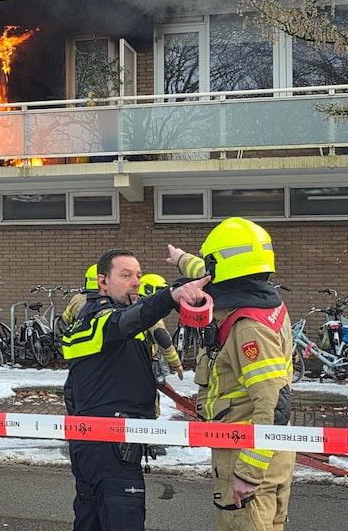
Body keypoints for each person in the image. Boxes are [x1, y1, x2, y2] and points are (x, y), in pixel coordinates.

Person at [61, 249, 210, 531]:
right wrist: (169, 297)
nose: (136, 282)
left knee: (89, 521)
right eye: (126, 275)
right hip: (111, 447)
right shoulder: (99, 318)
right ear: (102, 282)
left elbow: (73, 387)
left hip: (95, 444)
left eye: (138, 276)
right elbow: (128, 320)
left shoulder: (103, 318)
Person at [168, 217, 295, 531]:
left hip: (247, 458)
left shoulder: (247, 327)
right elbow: (210, 272)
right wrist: (181, 259)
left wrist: (246, 473)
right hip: (268, 455)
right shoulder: (259, 294)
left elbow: (274, 404)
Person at [140, 273, 185, 418]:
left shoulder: (127, 307)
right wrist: (175, 363)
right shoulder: (148, 311)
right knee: (149, 401)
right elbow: (162, 338)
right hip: (144, 365)